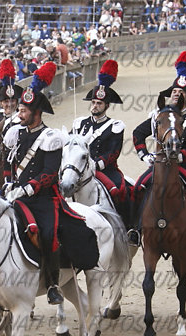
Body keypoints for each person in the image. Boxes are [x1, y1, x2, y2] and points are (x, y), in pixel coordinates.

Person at [3, 62, 98, 305]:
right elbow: (9, 162)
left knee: (48, 233)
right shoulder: (18, 133)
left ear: (37, 113)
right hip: (17, 194)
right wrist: (9, 182)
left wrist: (27, 188)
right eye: (20, 110)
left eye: (24, 110)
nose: (19, 114)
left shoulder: (51, 138)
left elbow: (48, 174)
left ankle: (53, 283)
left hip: (42, 199)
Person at [128, 51, 186, 250]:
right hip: (160, 166)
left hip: (185, 166)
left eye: (180, 93)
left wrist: (182, 156)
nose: (176, 94)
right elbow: (138, 134)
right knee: (139, 187)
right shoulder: (159, 117)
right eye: (174, 91)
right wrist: (144, 155)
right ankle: (136, 229)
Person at [71, 60, 131, 228]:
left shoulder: (115, 126)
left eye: (99, 103)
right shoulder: (79, 123)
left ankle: (126, 227)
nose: (95, 106)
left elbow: (113, 152)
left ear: (107, 105)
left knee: (119, 191)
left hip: (104, 169)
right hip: (79, 168)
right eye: (94, 103)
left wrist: (95, 164)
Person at [0, 59, 24, 135]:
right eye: (6, 101)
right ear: (1, 103)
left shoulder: (21, 118)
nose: (10, 104)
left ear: (17, 102)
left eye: (12, 101)